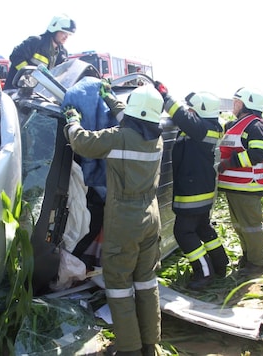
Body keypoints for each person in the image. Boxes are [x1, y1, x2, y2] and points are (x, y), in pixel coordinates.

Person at [63, 84, 163, 356]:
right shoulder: (156, 137)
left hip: (125, 221)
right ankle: (150, 343)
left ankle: (129, 349)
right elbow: (132, 119)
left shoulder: (118, 138)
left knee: (119, 285)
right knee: (146, 281)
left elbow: (82, 142)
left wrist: (72, 120)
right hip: (151, 217)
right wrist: (111, 101)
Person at [154, 82, 229, 290]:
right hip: (201, 189)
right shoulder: (209, 127)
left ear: (202, 111)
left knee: (184, 232)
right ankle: (220, 263)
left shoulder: (201, 128)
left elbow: (182, 117)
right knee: (203, 228)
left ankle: (204, 273)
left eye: (193, 108)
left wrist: (166, 97)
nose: (189, 111)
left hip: (193, 192)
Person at [217, 87, 263, 277]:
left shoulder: (255, 126)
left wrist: (229, 162)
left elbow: (258, 153)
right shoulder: (237, 124)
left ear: (247, 104)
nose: (234, 105)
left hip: (248, 185)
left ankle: (258, 262)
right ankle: (248, 257)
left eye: (237, 102)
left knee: (251, 226)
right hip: (235, 186)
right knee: (241, 226)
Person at [4, 14, 76, 90]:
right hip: (15, 91)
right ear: (54, 29)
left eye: (69, 34)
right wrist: (29, 74)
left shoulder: (62, 54)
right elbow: (16, 55)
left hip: (38, 96)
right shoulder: (35, 42)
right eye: (64, 32)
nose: (66, 37)